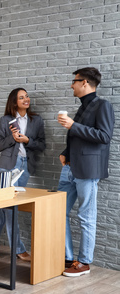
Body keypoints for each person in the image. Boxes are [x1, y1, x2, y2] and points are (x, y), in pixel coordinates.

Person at [58, 67, 114, 277]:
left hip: (88, 171)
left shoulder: (102, 105)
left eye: (74, 81)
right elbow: (79, 138)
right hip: (70, 168)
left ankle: (84, 263)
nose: (71, 85)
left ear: (85, 83)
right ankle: (68, 257)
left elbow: (104, 136)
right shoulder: (81, 107)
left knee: (86, 216)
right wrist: (65, 152)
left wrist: (73, 125)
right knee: (58, 212)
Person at [0, 88, 46, 262]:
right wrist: (12, 138)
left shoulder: (36, 120)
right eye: (21, 97)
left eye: (27, 96)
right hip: (7, 166)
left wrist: (27, 141)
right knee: (10, 208)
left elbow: (41, 144)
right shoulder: (5, 120)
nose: (26, 99)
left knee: (6, 208)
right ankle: (18, 249)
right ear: (14, 102)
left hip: (24, 167)